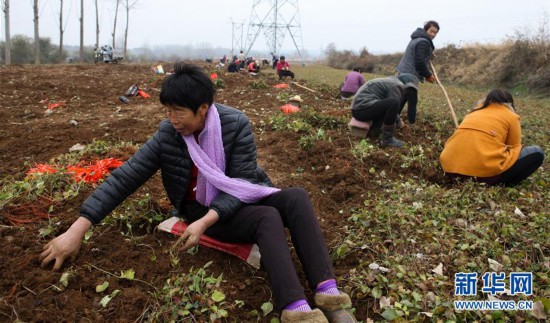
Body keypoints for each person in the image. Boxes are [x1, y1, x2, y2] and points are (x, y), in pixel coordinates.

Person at [38, 62, 356, 323]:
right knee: (268, 218)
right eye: (167, 111)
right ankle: (295, 309)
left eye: (179, 111)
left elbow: (244, 182)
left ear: (203, 108)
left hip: (236, 198)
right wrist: (76, 230)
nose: (172, 120)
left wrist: (205, 224)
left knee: (297, 195)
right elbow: (125, 178)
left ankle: (328, 292)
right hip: (200, 210)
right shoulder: (168, 135)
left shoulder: (235, 125)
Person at [439, 89, 544, 186]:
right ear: (510, 104)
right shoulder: (511, 116)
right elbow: (514, 148)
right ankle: (504, 185)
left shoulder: (472, 113)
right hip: (484, 177)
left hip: (449, 171)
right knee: (537, 152)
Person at [351, 74, 418, 147]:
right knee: (393, 103)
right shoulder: (397, 85)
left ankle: (374, 132)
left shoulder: (391, 81)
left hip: (359, 108)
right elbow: (394, 107)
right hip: (362, 109)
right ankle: (387, 139)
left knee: (386, 105)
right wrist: (400, 123)